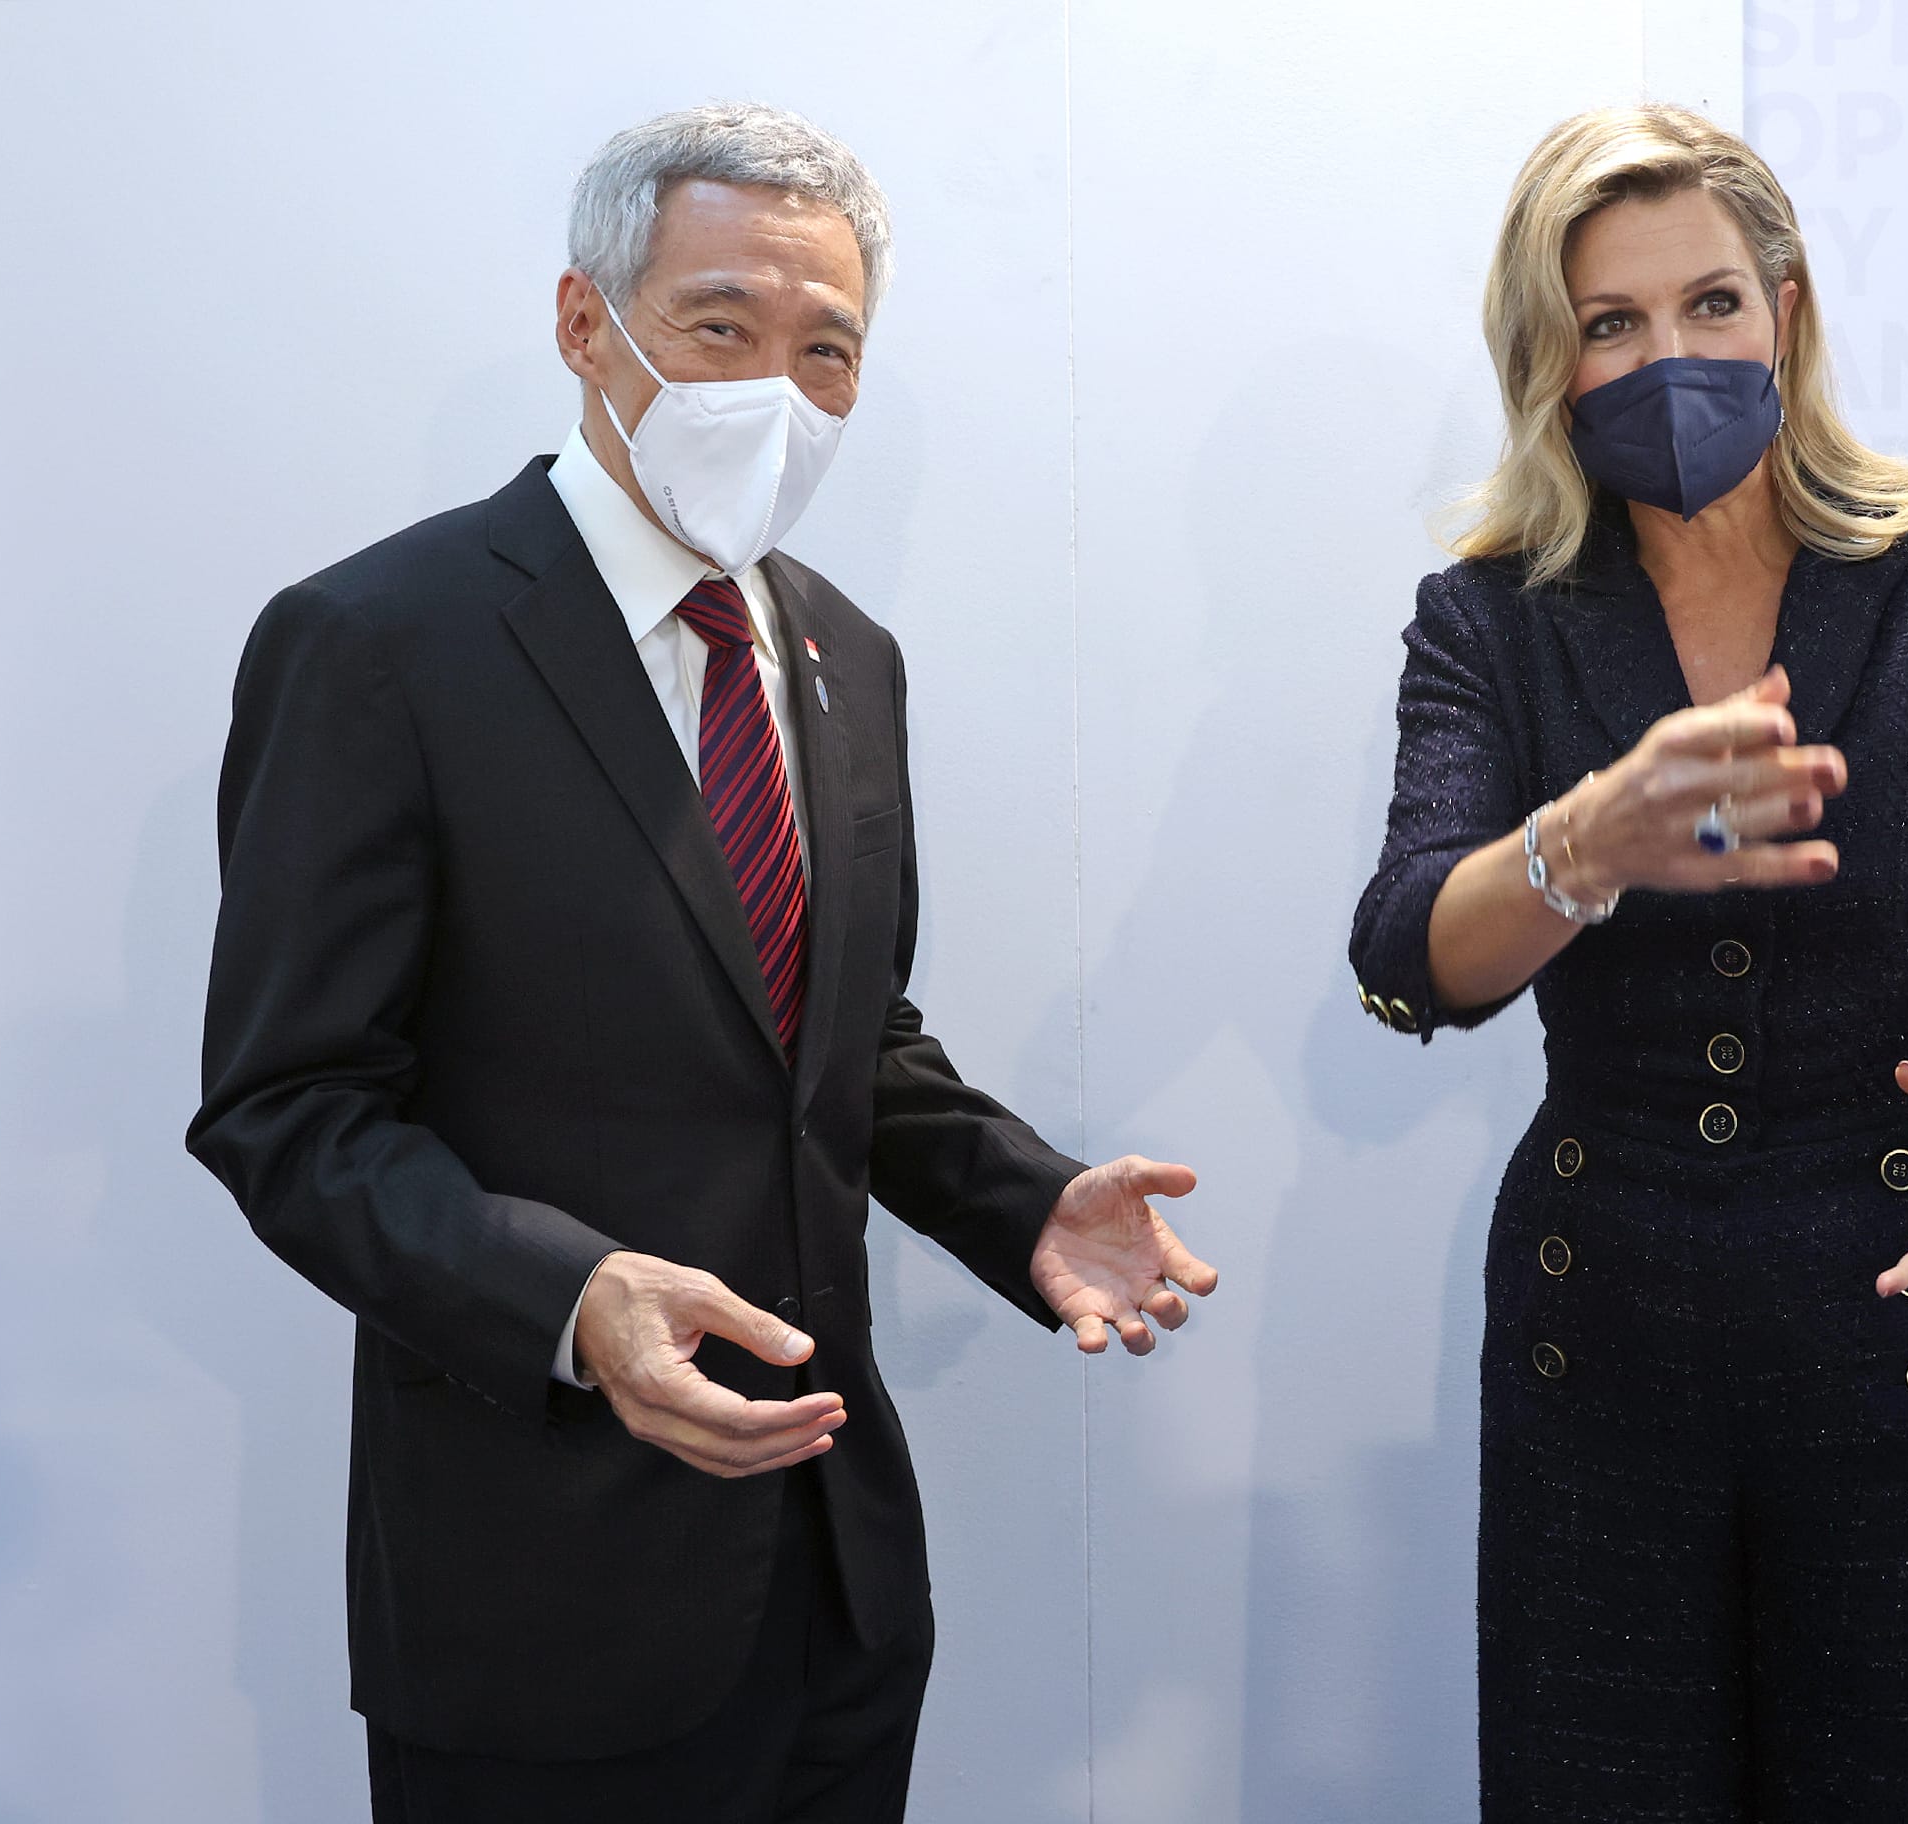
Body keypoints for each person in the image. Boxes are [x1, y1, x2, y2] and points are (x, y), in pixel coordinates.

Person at [187, 102, 1216, 1823]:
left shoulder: (847, 656)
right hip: (540, 1590)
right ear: (586, 325)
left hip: (834, 1583)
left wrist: (1022, 1201)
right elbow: (289, 1113)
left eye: (828, 352)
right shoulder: (377, 643)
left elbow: (838, 1042)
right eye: (719, 327)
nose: (776, 393)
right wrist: (569, 1300)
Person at [1349, 105, 1908, 1822]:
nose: (1671, 357)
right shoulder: (1490, 615)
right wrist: (1583, 844)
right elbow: (1410, 954)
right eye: (1612, 322)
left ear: (1784, 312)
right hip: (1607, 1346)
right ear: (1548, 360)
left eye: (1710, 303)